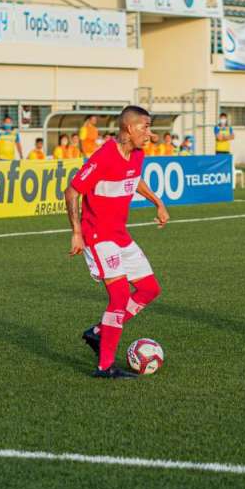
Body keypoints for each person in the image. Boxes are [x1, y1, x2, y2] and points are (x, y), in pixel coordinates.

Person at [66, 105, 169, 379]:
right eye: (144, 127)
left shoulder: (137, 154)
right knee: (120, 295)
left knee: (149, 289)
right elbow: (73, 190)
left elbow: (134, 181)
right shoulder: (104, 156)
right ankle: (104, 367)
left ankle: (100, 332)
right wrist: (77, 231)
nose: (149, 133)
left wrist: (158, 202)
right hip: (98, 236)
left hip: (119, 234)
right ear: (128, 128)